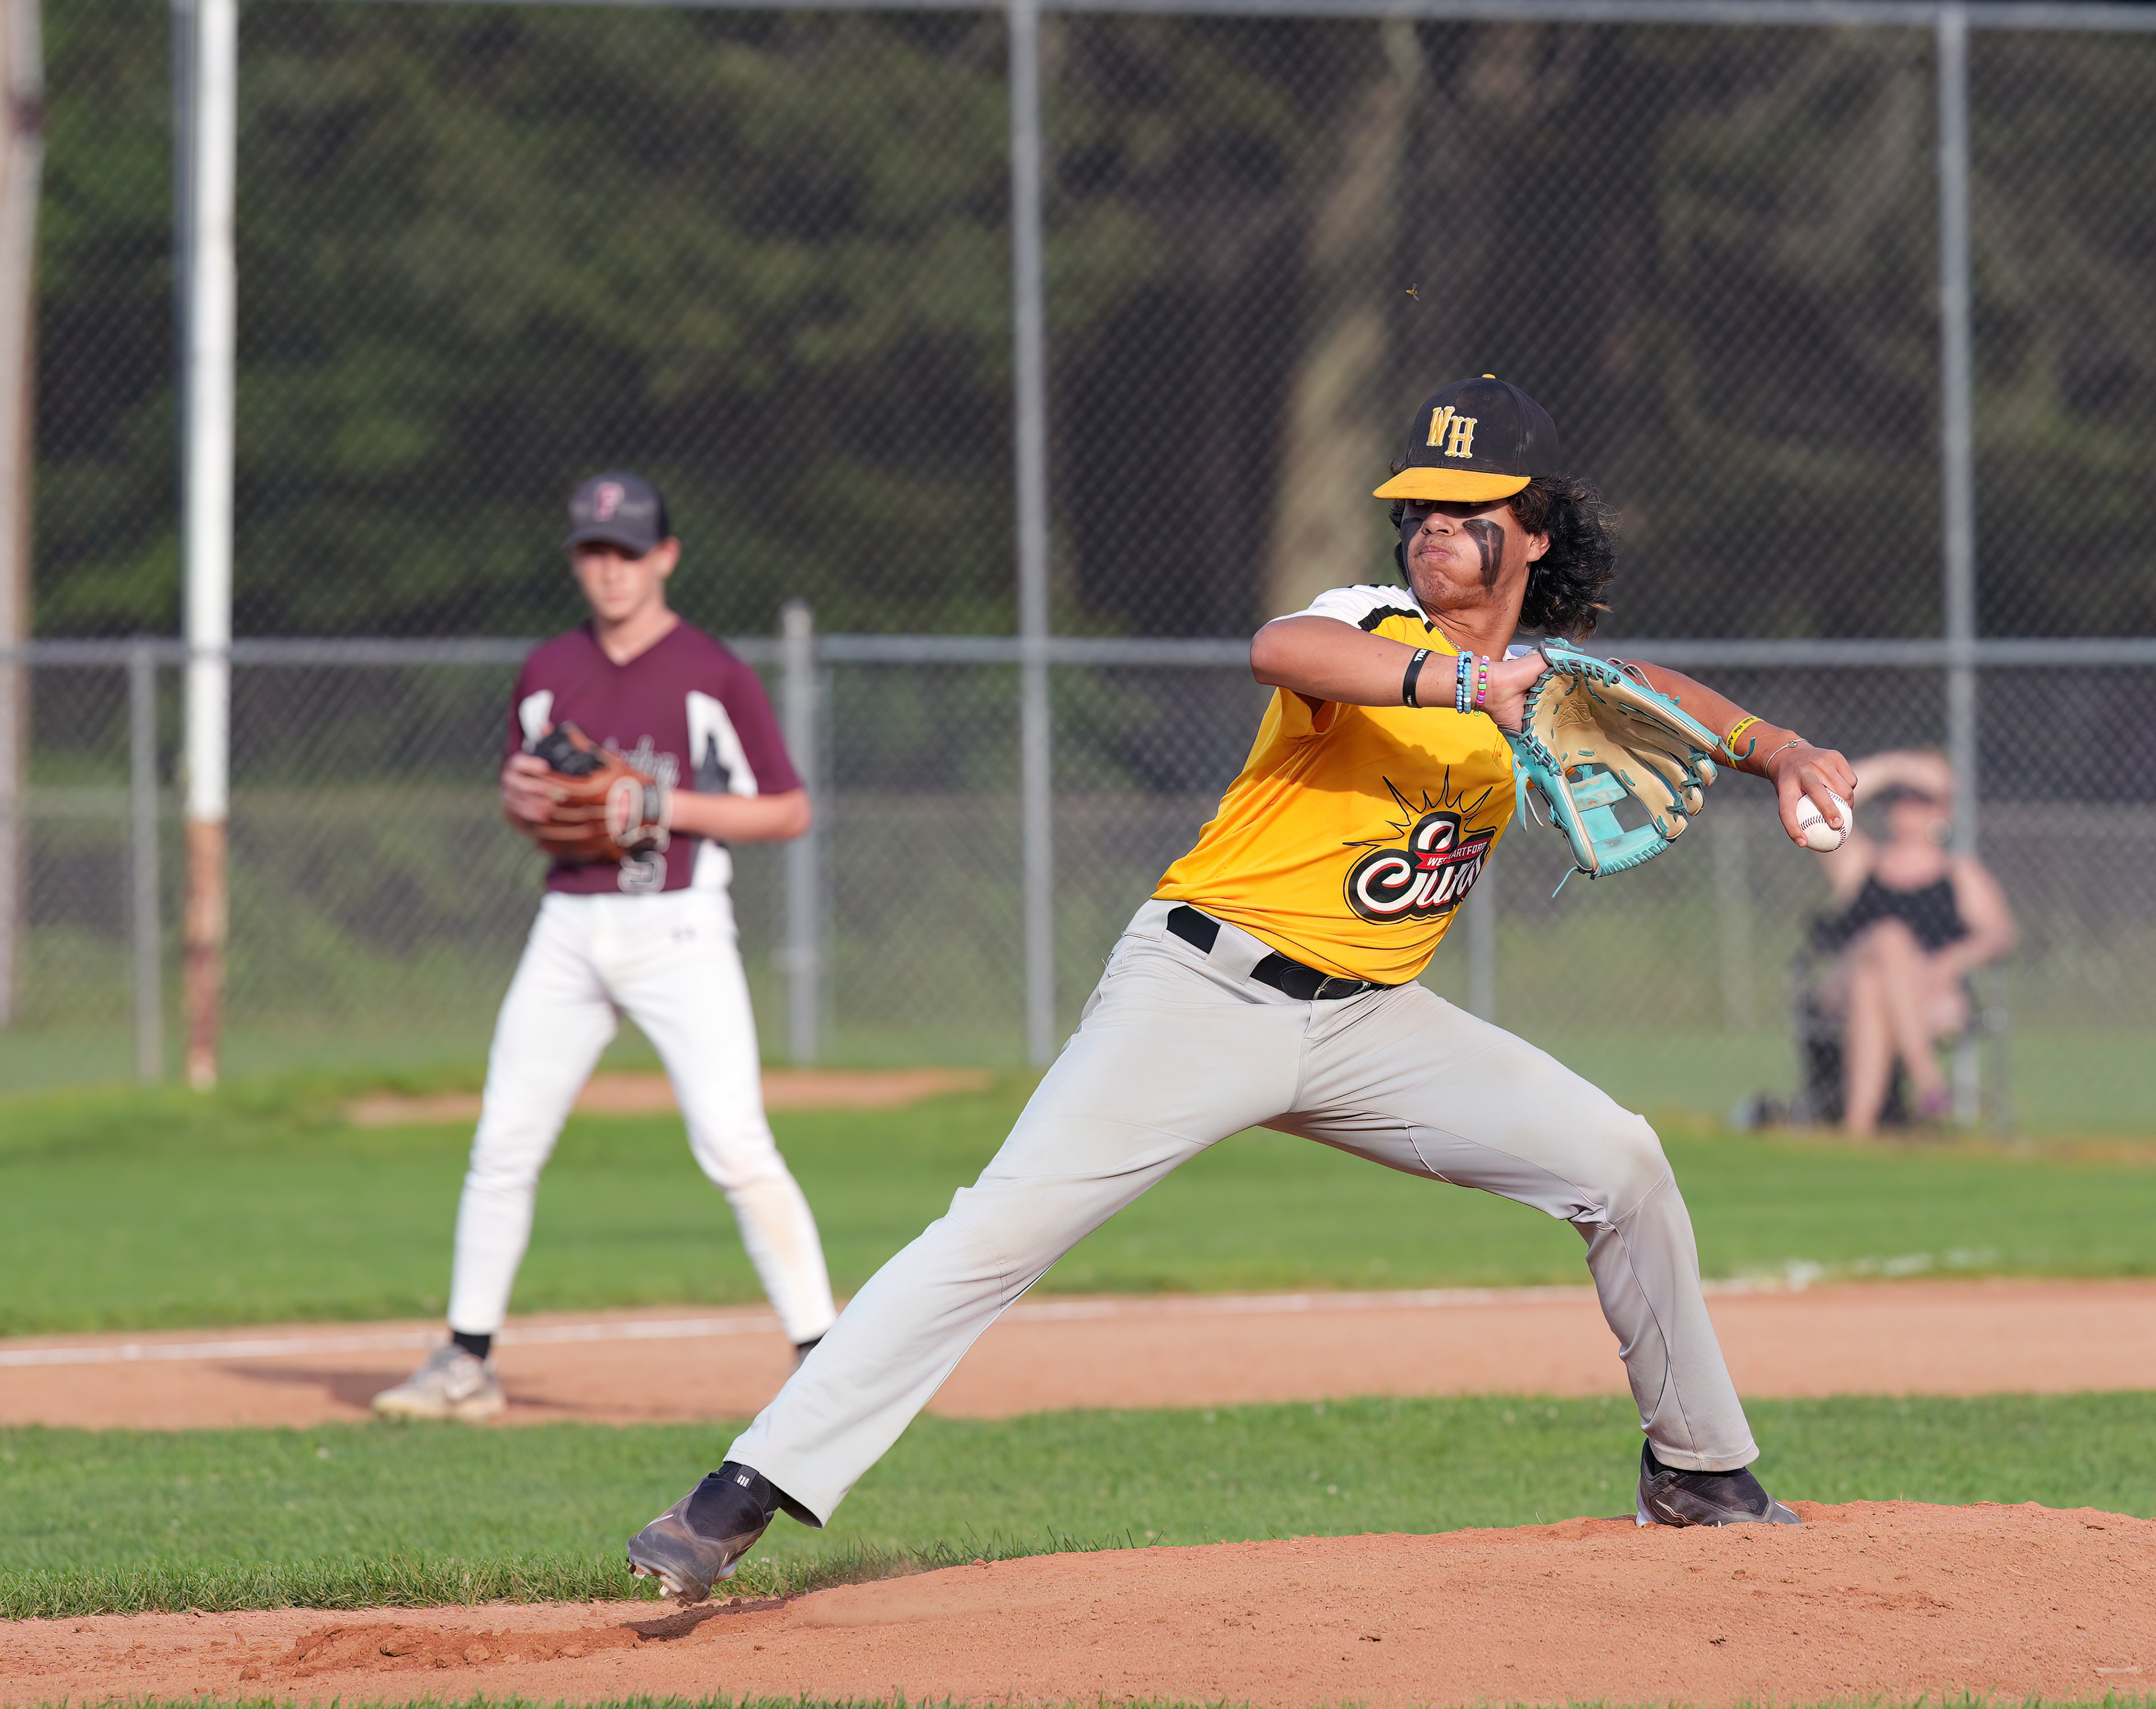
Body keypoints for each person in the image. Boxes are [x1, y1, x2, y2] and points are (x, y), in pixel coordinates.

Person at [623, 377, 1858, 1600]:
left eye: (1468, 507)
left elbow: (1660, 693)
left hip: (1373, 1022)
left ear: (1534, 532)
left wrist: (1783, 751)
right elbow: (1282, 649)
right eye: (1420, 504)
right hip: (1201, 988)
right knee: (999, 1227)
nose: (1433, 523)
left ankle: (1697, 1470)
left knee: (1621, 1161)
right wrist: (1462, 684)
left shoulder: (1545, 679)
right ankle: (742, 1490)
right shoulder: (1374, 622)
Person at [373, 471, 837, 1420]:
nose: (611, 569)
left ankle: (826, 1360)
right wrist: (522, 804)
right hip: (571, 921)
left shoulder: (711, 672)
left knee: (734, 1145)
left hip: (679, 921)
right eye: (594, 551)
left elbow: (789, 809)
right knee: (504, 1142)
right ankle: (467, 1360)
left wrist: (661, 803)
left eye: (628, 551)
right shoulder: (548, 671)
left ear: (665, 557)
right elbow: (535, 807)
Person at [1810, 749, 2015, 1136]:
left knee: (1872, 988)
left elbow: (1999, 933)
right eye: (1900, 795)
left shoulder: (1960, 874)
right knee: (1889, 937)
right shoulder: (1862, 862)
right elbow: (1822, 807)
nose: (1908, 806)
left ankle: (1857, 1131)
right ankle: (1929, 1081)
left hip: (1924, 987)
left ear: (1944, 809)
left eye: (1922, 798)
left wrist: (1953, 960)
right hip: (1845, 979)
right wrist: (1896, 768)